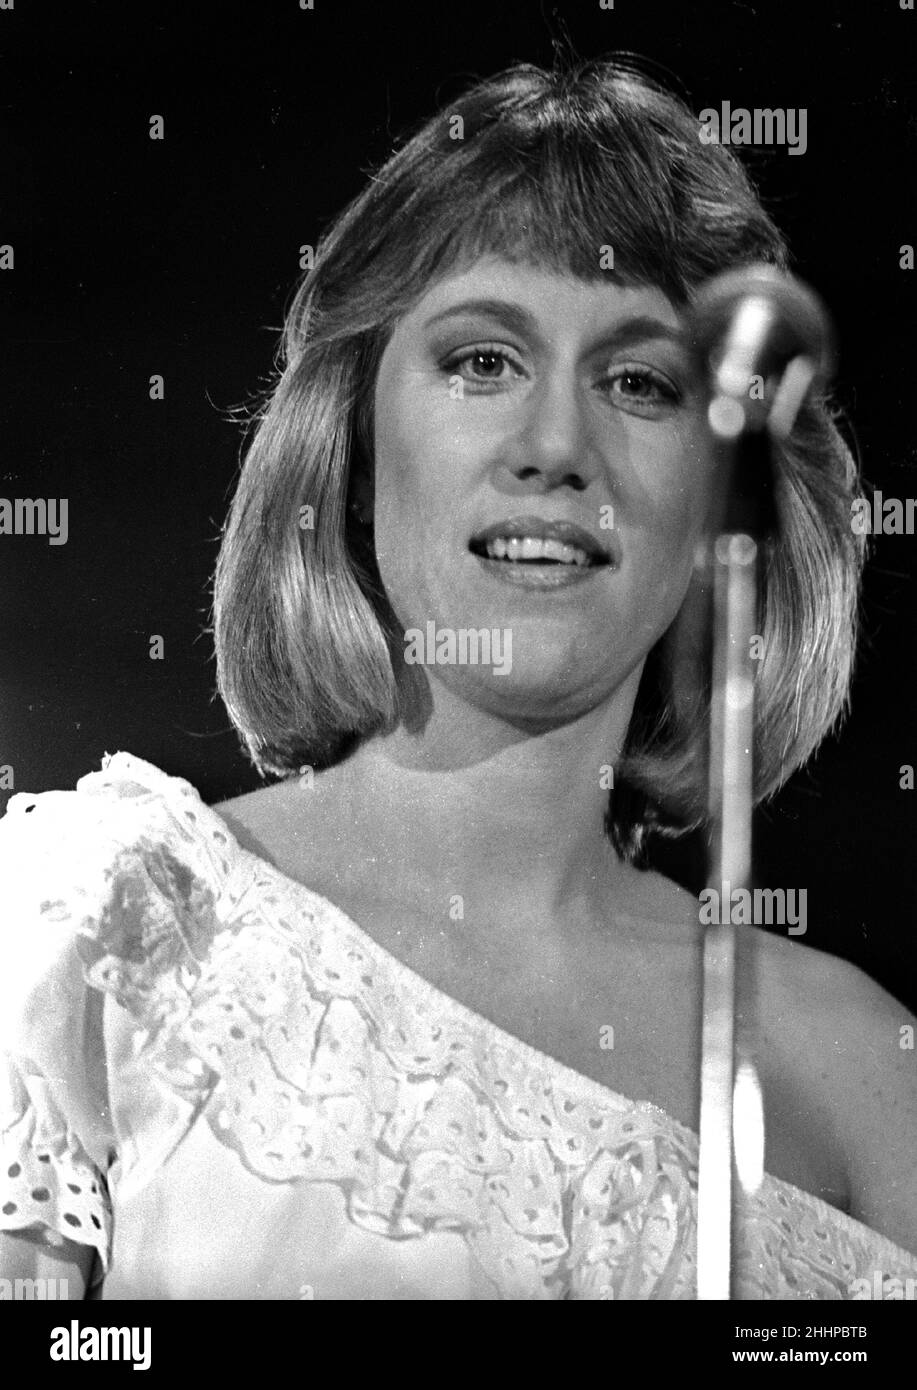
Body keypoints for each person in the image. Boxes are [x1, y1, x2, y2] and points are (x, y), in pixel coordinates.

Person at [1, 57, 915, 1301]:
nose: (553, 448)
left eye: (639, 382)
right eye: (482, 361)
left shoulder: (863, 1073)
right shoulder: (99, 927)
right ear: (356, 453)